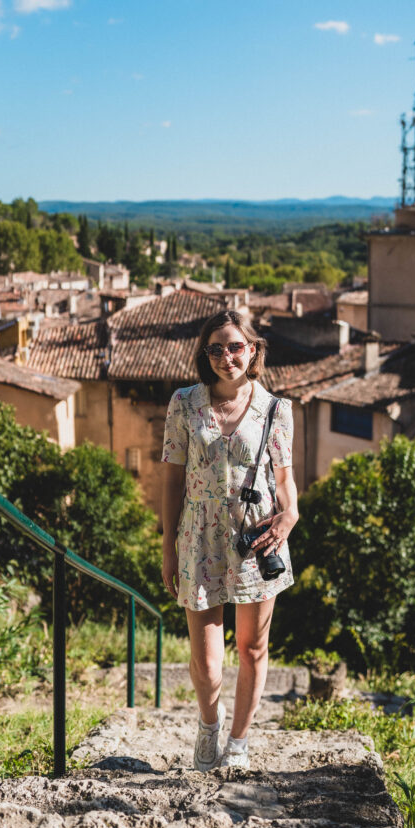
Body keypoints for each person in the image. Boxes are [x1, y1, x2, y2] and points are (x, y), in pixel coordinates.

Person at [161, 308, 299, 771]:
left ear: (254, 350)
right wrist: (168, 546)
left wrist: (290, 516)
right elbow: (171, 481)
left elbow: (285, 480)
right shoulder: (183, 403)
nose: (226, 357)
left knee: (253, 647)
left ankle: (238, 743)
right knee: (206, 657)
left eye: (235, 346)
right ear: (206, 355)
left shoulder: (277, 409)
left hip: (257, 537)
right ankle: (208, 726)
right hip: (198, 536)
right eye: (216, 349)